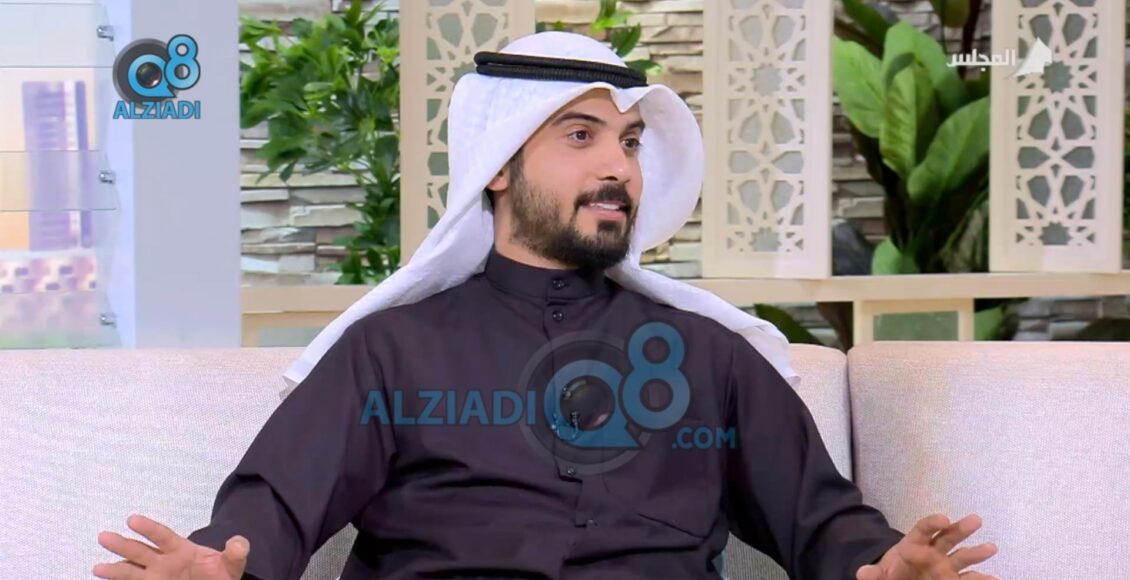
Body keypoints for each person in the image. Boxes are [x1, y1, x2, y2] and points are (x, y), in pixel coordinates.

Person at [93, 32, 998, 580]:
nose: (617, 167)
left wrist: (881, 564)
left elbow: (820, 521)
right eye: (581, 136)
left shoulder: (709, 356)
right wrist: (220, 561)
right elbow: (273, 510)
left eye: (630, 142)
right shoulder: (391, 352)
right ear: (498, 166)